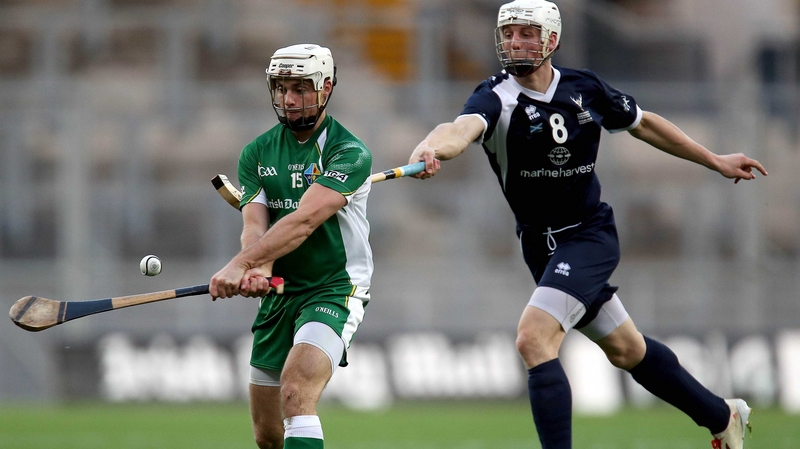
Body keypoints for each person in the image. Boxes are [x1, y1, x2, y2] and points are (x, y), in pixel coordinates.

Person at [407, 1, 768, 449]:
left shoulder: (584, 88)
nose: (515, 42)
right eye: (508, 34)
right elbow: (458, 128)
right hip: (539, 246)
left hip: (588, 236)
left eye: (526, 33)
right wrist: (430, 148)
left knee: (533, 339)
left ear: (551, 40)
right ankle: (721, 416)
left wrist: (714, 160)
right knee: (627, 349)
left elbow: (644, 125)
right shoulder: (494, 96)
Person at [210, 44, 373, 449]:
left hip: (332, 289)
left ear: (326, 87)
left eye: (300, 88)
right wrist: (258, 269)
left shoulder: (349, 153)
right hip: (280, 293)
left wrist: (240, 263)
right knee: (268, 436)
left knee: (296, 391)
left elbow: (303, 222)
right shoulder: (257, 153)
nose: (288, 99)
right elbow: (255, 226)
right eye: (281, 88)